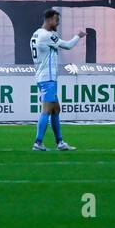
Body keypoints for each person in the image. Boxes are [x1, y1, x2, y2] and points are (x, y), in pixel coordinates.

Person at [31, 8, 86, 152]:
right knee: (47, 109)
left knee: (56, 109)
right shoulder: (46, 35)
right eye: (56, 20)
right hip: (47, 78)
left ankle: (60, 142)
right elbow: (67, 46)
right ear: (49, 20)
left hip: (44, 76)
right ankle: (38, 143)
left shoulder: (36, 34)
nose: (58, 23)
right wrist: (78, 36)